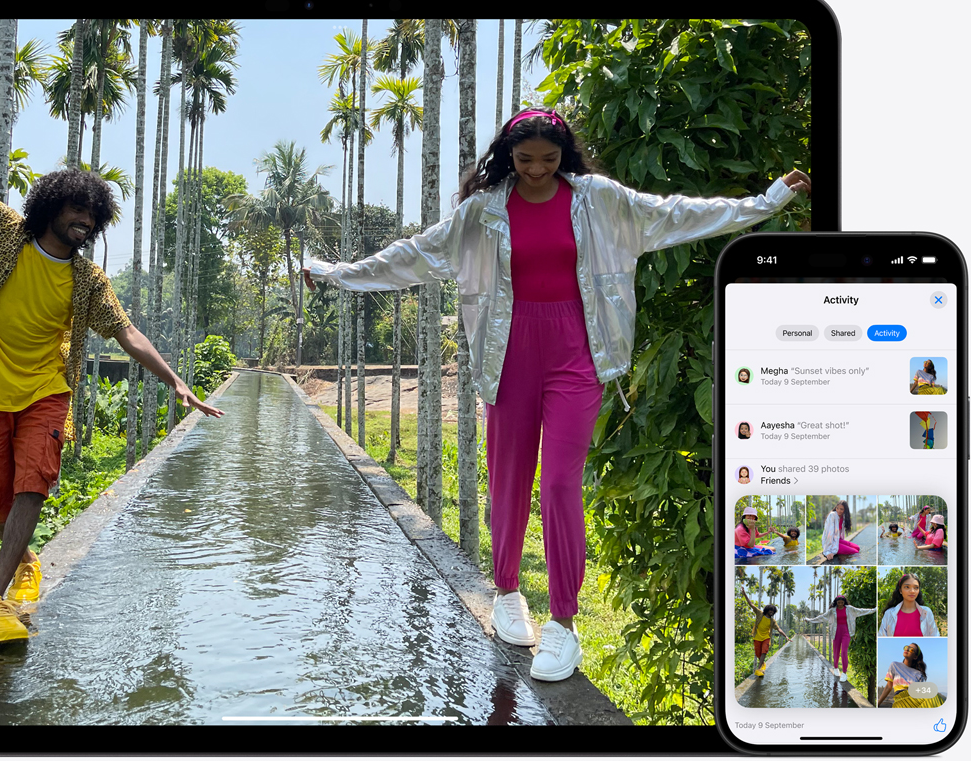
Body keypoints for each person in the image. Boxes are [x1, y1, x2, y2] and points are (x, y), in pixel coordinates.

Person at [304, 107, 808, 681]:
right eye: (525, 160)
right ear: (507, 159)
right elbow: (413, 255)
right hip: (510, 351)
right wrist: (334, 273)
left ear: (564, 155)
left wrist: (762, 204)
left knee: (562, 480)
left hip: (578, 351)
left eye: (548, 159)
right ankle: (508, 592)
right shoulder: (484, 211)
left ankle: (565, 625)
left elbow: (672, 215)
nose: (537, 170)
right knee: (509, 474)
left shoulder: (596, 198)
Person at [0, 51, 224, 643]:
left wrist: (176, 381)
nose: (85, 220)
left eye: (94, 214)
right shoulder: (2, 232)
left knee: (33, 479)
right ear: (51, 209)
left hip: (45, 390)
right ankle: (27, 563)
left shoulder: (87, 281)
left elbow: (125, 331)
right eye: (76, 209)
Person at [803, 595, 876, 681]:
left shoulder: (849, 609)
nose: (840, 604)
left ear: (844, 602)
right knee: (836, 651)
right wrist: (810, 620)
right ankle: (836, 668)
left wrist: (874, 610)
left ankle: (844, 673)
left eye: (842, 602)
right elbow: (821, 617)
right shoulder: (832, 611)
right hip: (836, 632)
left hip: (846, 632)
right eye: (839, 603)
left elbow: (860, 611)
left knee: (844, 651)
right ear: (836, 603)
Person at [741, 587, 791, 677]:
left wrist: (786, 636)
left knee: (764, 651)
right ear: (767, 610)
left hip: (766, 638)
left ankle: (759, 668)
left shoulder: (772, 621)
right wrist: (744, 594)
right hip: (757, 637)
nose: (771, 612)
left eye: (773, 611)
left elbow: (778, 629)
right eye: (770, 610)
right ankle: (763, 664)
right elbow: (751, 604)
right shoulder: (760, 613)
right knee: (758, 653)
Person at [877, 643, 944, 707]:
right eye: (906, 647)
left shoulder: (918, 674)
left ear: (915, 657)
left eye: (911, 649)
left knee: (934, 696)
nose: (906, 650)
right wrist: (878, 704)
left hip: (915, 698)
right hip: (901, 700)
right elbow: (888, 687)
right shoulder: (894, 665)